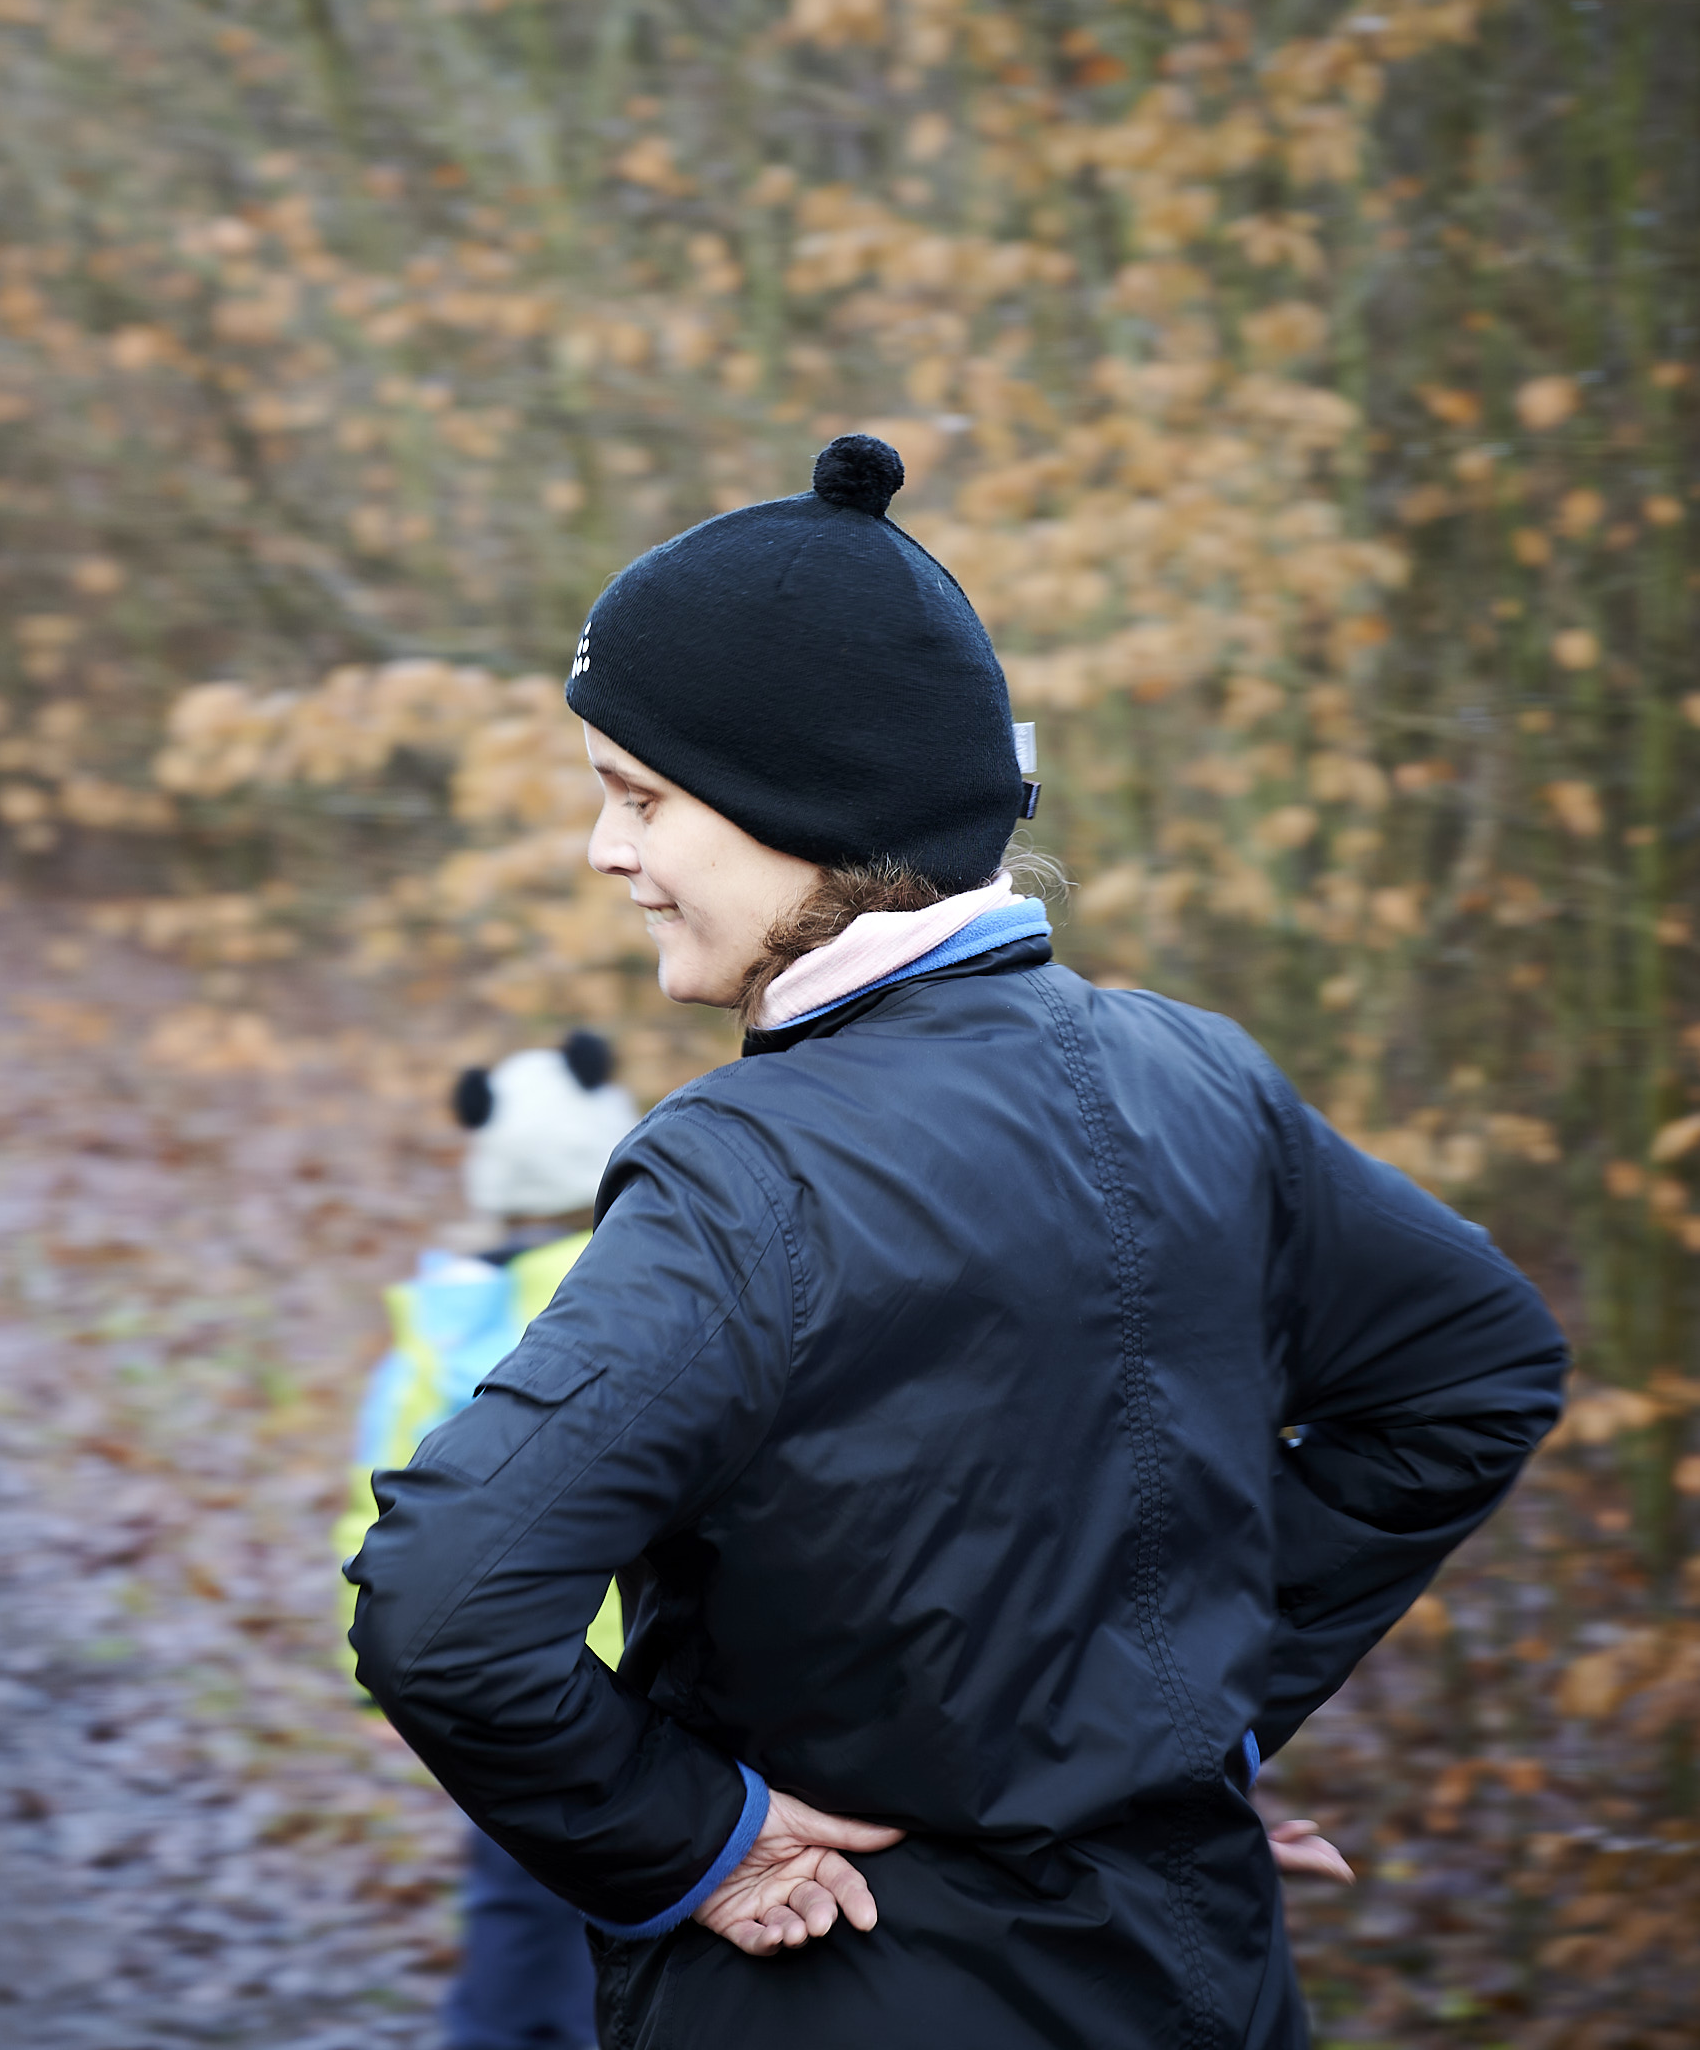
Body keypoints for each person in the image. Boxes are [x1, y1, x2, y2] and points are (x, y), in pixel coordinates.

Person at [344, 435, 1566, 2048]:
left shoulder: (747, 1175)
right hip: (1205, 1984)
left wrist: (697, 1839)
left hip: (841, 1987)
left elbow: (441, 1607)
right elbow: (1479, 1373)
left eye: (641, 798)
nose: (605, 851)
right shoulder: (1202, 1077)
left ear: (800, 805)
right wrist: (1182, 1724)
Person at [336, 1033, 638, 2050]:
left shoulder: (449, 1323)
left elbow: (380, 1503)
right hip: (659, 1669)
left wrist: (377, 1672)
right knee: (652, 1897)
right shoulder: (664, 1294)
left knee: (515, 1897)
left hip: (504, 1679)